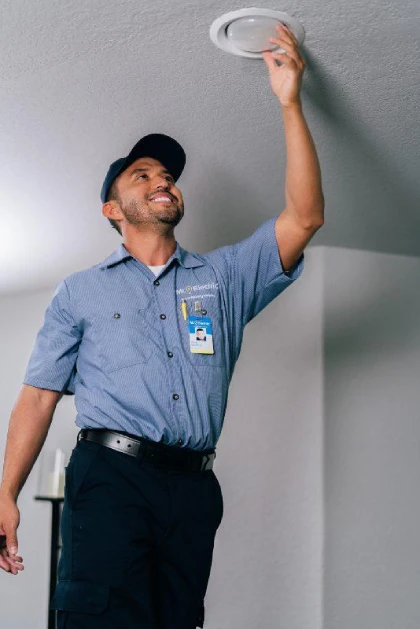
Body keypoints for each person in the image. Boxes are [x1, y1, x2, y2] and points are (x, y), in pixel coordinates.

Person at [0, 24, 324, 628]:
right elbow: (39, 396)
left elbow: (304, 217)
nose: (162, 181)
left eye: (167, 175)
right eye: (142, 175)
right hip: (110, 478)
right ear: (112, 209)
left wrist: (289, 101)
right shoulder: (82, 290)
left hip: (194, 489)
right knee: (99, 619)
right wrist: (5, 493)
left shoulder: (223, 277)